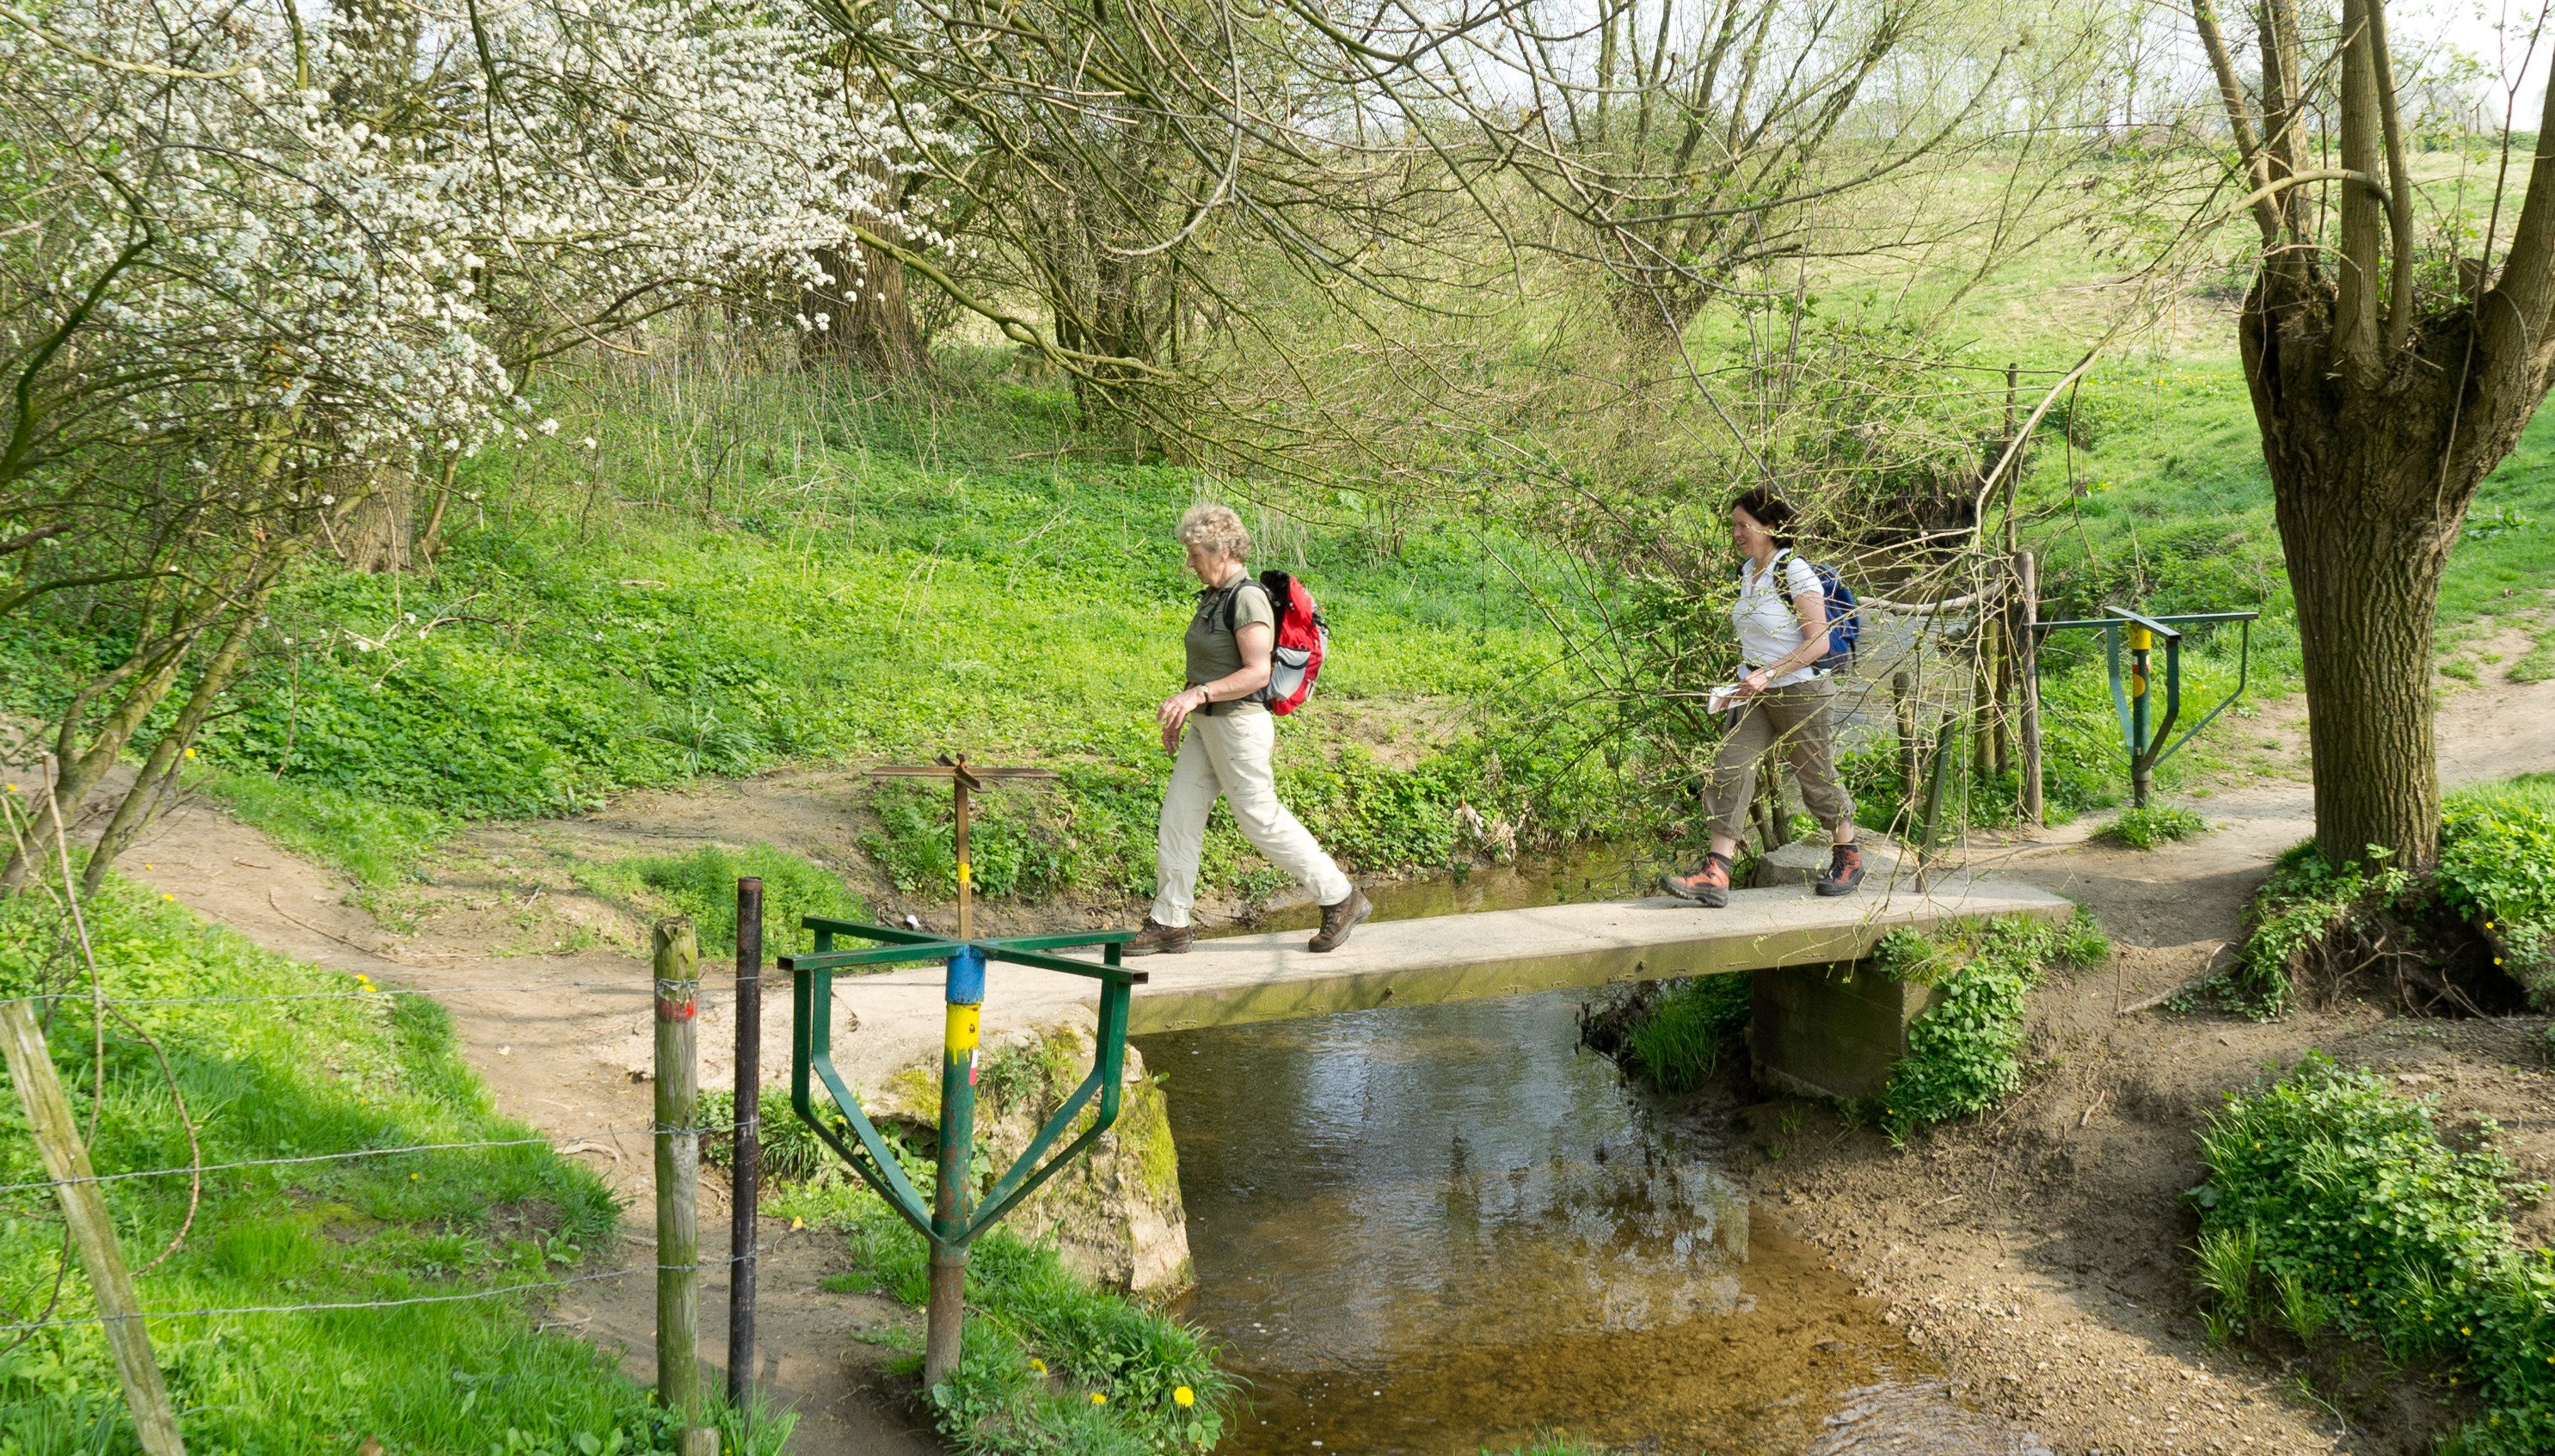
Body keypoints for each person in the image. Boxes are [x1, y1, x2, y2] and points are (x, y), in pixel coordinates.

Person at [1127, 505, 1373, 955]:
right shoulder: (1215, 596)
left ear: (1221, 551)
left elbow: (1258, 672)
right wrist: (1187, 709)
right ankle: (1170, 921)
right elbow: (1211, 665)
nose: (1189, 562)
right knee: (1178, 818)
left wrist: (1197, 697)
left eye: (1195, 553)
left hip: (1238, 726)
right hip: (1208, 726)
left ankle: (1340, 895)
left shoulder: (1248, 598)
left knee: (1260, 819)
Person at [1661, 488, 1864, 907]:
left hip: (1801, 689)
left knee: (1816, 777)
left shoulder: (1796, 572)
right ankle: (1716, 872)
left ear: (1770, 526)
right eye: (1733, 525)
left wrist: (1769, 673)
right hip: (1754, 693)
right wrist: (1745, 678)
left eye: (1743, 524)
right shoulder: (1748, 573)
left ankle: (1848, 857)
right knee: (1730, 767)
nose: (1736, 532)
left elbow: (1820, 643)